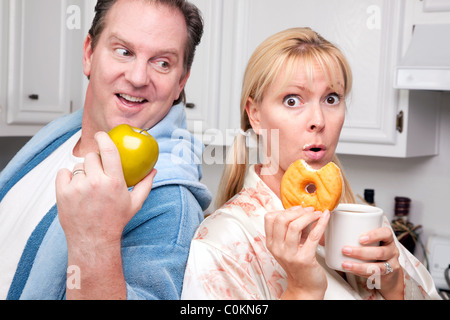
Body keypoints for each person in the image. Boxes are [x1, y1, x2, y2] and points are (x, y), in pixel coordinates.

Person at [181, 27, 440, 300]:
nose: (318, 120)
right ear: (255, 115)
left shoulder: (363, 216)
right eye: (292, 100)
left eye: (331, 99)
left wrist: (393, 285)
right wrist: (301, 291)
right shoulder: (219, 245)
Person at [0, 0, 211, 300]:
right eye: (124, 52)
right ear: (89, 53)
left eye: (162, 62)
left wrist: (95, 240)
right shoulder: (56, 138)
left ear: (180, 83)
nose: (138, 78)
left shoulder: (170, 204)